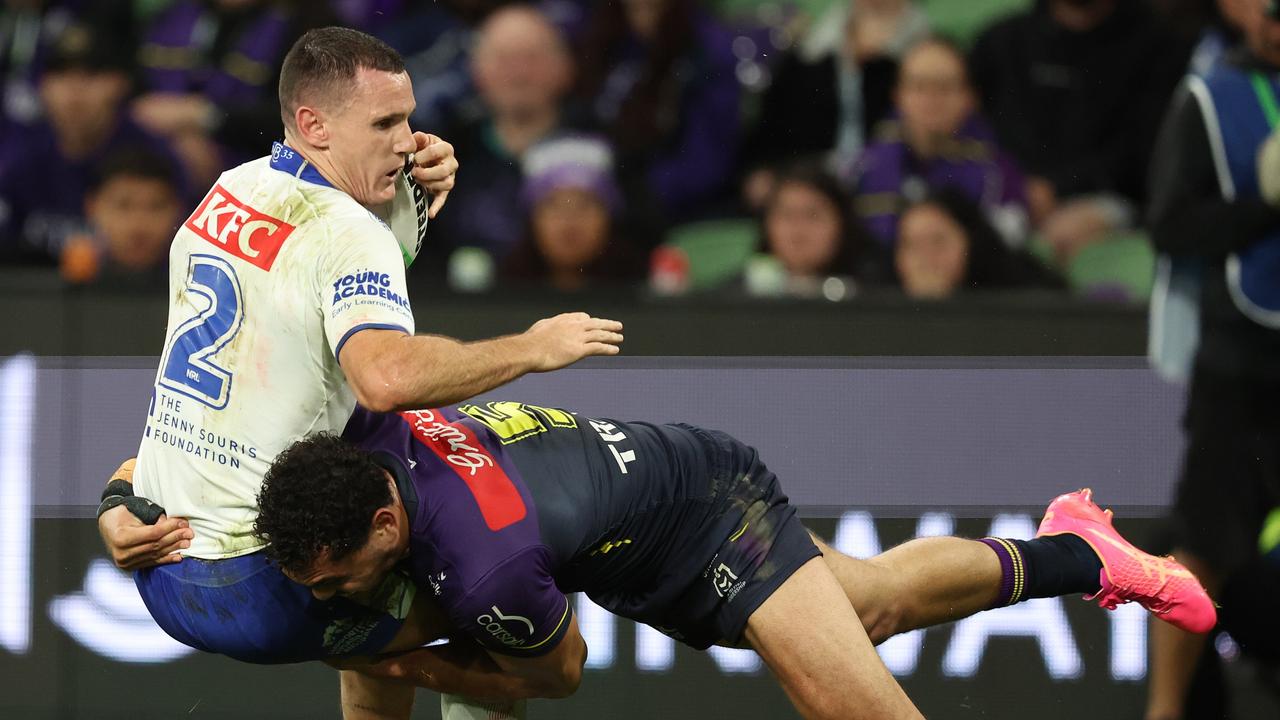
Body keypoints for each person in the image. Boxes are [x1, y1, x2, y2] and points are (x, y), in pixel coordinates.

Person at [94, 26, 622, 720]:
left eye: (408, 118)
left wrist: (113, 498)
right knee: (498, 593)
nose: (409, 141)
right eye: (386, 122)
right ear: (313, 124)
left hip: (163, 572)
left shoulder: (226, 193)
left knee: (383, 497)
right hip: (265, 582)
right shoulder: (348, 235)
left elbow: (312, 302)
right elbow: (384, 377)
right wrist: (530, 348)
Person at [251, 400, 1217, 719]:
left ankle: (1078, 552)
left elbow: (556, 676)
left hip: (707, 515)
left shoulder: (486, 570)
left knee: (852, 705)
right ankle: (1076, 551)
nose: (329, 595)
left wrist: (394, 658)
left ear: (385, 527)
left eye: (335, 577)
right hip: (645, 495)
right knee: (872, 602)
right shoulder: (360, 429)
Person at [1144, 1, 1280, 717]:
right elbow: (1169, 223)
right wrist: (1265, 204)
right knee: (1201, 545)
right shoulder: (1209, 95)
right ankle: (1166, 711)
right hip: (1241, 363)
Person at [969, 0, 1190, 263]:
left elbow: (1146, 152)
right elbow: (970, 127)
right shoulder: (1001, 41)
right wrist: (1017, 185)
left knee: (1059, 237)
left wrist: (1057, 188)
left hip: (1111, 196)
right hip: (1009, 190)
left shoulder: (1159, 45)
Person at [0, 21, 184, 265]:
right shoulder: (22, 155)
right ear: (41, 86)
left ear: (120, 83)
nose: (75, 91)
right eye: (61, 74)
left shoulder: (153, 155)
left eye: (92, 74)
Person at [429, 4, 579, 264]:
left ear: (564, 67)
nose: (519, 74)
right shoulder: (449, 150)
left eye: (532, 58)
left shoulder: (598, 147)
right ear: (477, 71)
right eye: (504, 59)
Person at [850, 37, 1029, 247]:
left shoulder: (1000, 176)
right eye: (919, 86)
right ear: (898, 96)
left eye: (945, 87)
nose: (932, 97)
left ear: (970, 97)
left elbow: (1005, 254)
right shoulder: (860, 168)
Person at [503, 135, 643, 292]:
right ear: (532, 218)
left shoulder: (645, 285)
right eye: (553, 205)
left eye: (584, 205)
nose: (569, 220)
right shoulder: (500, 286)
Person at [745, 162, 887, 298]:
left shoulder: (877, 292)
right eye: (787, 215)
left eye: (812, 215)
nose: (798, 231)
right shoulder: (736, 298)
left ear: (842, 223)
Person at [894, 190, 1064, 300]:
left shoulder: (1025, 293)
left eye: (938, 241)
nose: (924, 257)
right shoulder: (877, 297)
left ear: (972, 240)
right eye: (910, 245)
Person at [59, 147, 185, 288]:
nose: (139, 224)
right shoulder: (54, 278)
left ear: (177, 209)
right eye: (123, 205)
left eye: (156, 206)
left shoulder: (195, 281)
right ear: (92, 207)